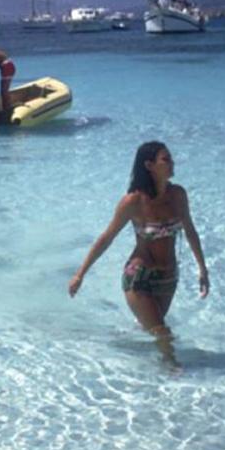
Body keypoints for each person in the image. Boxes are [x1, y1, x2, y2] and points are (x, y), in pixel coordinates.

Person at [68, 141, 209, 365]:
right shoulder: (133, 201)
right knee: (163, 334)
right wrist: (80, 274)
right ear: (149, 165)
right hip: (139, 276)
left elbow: (190, 231)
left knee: (152, 329)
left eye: (171, 158)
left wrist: (203, 269)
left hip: (168, 277)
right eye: (166, 159)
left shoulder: (178, 195)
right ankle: (173, 371)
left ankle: (129, 353)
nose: (172, 163)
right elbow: (107, 238)